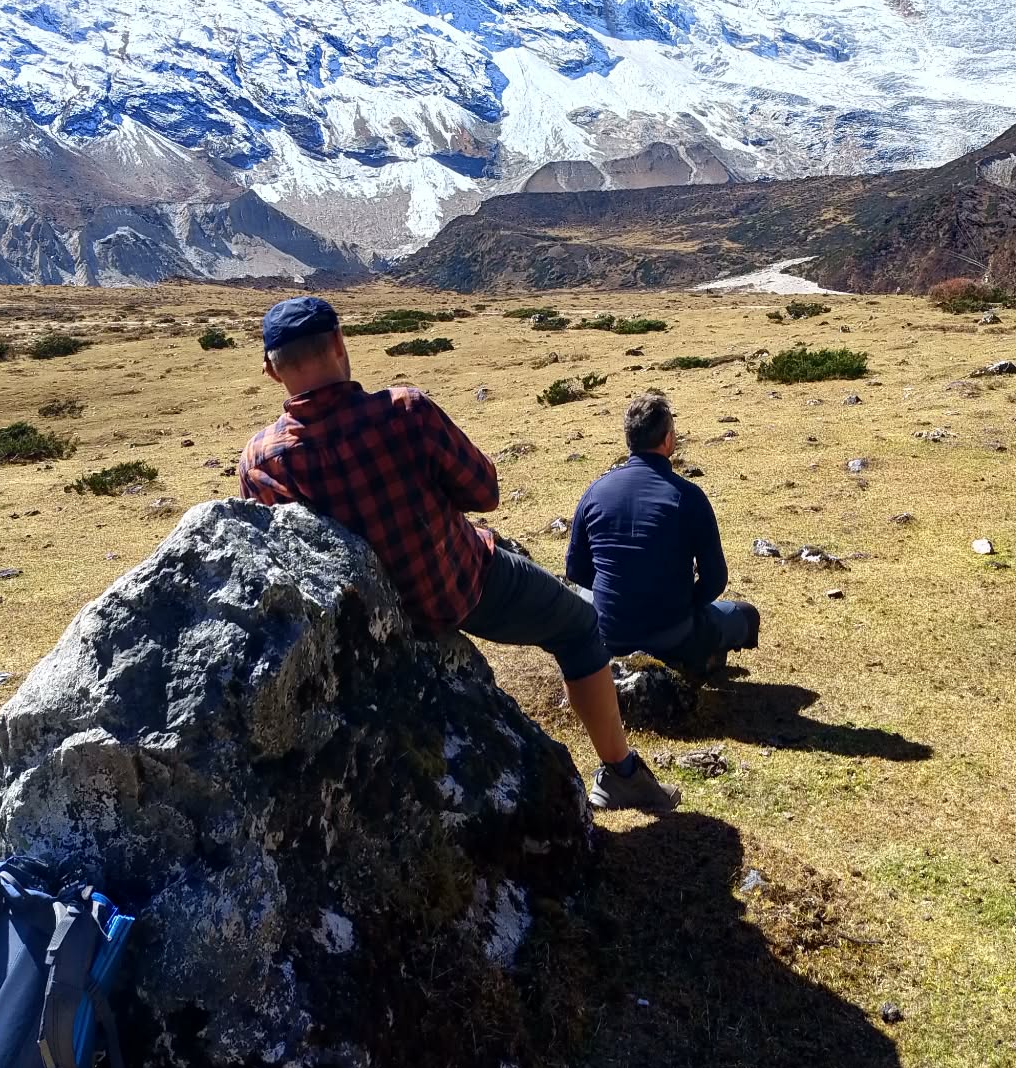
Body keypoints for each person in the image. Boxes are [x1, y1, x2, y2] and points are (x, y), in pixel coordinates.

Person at [238, 296, 678, 815]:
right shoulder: (406, 411)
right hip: (462, 585)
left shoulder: (260, 463)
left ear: (271, 370)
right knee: (580, 624)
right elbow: (484, 491)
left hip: (367, 627)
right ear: (338, 342)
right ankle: (621, 772)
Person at [566, 391, 760, 673]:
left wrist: (618, 594)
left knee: (583, 596)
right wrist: (683, 603)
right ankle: (701, 661)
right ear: (668, 439)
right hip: (672, 633)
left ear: (629, 439)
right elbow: (715, 579)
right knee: (745, 615)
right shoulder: (688, 496)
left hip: (609, 634)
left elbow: (575, 571)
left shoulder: (595, 492)